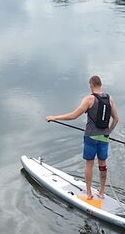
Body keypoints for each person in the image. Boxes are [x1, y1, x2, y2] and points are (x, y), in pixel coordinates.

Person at [46, 74, 120, 203]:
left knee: (89, 164)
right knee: (102, 164)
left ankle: (89, 193)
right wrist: (108, 132)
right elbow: (116, 119)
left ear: (90, 85)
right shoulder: (110, 99)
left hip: (91, 136)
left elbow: (73, 116)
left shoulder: (89, 99)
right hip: (104, 137)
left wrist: (55, 117)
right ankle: (102, 192)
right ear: (100, 85)